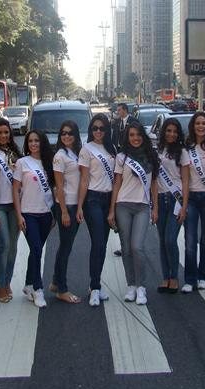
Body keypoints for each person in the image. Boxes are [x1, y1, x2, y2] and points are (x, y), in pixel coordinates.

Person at [108, 121, 159, 305]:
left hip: (143, 207)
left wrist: (155, 208)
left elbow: (154, 183)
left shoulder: (151, 155)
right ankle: (131, 285)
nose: (135, 138)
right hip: (123, 205)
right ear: (127, 138)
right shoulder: (122, 157)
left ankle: (141, 286)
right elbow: (117, 183)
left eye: (138, 135)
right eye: (131, 135)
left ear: (143, 136)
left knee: (137, 247)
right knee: (127, 249)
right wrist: (111, 210)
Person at [12, 130, 55, 308]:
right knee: (37, 250)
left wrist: (54, 214)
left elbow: (53, 188)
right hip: (28, 214)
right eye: (30, 141)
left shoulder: (49, 163)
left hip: (45, 214)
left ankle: (28, 285)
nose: (33, 144)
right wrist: (19, 214)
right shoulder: (22, 163)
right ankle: (38, 289)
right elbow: (15, 190)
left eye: (37, 140)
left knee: (35, 251)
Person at [77, 114, 116, 306]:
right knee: (98, 243)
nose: (98, 132)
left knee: (102, 245)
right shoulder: (86, 150)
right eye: (95, 128)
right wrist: (79, 206)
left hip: (109, 199)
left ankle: (96, 285)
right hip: (92, 199)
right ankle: (94, 287)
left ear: (107, 130)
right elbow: (84, 180)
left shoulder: (112, 148)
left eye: (101, 128)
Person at [183, 112, 205, 293]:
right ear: (193, 126)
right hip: (191, 198)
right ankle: (190, 278)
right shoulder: (187, 148)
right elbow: (184, 177)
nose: (201, 126)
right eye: (198, 123)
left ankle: (203, 276)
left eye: (204, 123)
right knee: (190, 241)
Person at [0, 118, 23, 303]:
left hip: (15, 206)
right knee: (4, 246)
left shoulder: (16, 154)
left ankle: (7, 281)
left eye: (6, 132)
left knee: (13, 248)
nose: (3, 135)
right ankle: (0, 284)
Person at [155, 118, 189, 293]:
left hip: (176, 199)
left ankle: (174, 277)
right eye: (168, 130)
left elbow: (185, 180)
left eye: (175, 131)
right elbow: (154, 180)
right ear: (163, 132)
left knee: (170, 239)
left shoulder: (182, 152)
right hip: (160, 199)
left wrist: (184, 206)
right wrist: (153, 205)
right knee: (162, 241)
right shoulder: (158, 150)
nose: (171, 134)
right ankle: (165, 277)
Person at [50, 120, 83, 303]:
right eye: (63, 133)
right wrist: (63, 211)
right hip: (66, 206)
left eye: (70, 133)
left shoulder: (75, 153)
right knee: (65, 247)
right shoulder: (60, 156)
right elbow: (59, 186)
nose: (66, 136)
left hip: (74, 205)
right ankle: (62, 289)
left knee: (66, 246)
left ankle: (56, 281)